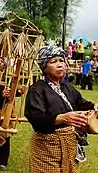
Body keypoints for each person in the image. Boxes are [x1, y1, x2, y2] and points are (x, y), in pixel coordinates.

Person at [25, 45, 97, 173]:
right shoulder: (37, 89)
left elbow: (81, 103)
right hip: (46, 148)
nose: (60, 65)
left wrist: (93, 106)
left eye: (61, 60)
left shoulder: (67, 86)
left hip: (69, 145)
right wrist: (63, 118)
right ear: (44, 67)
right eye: (53, 61)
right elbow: (36, 119)